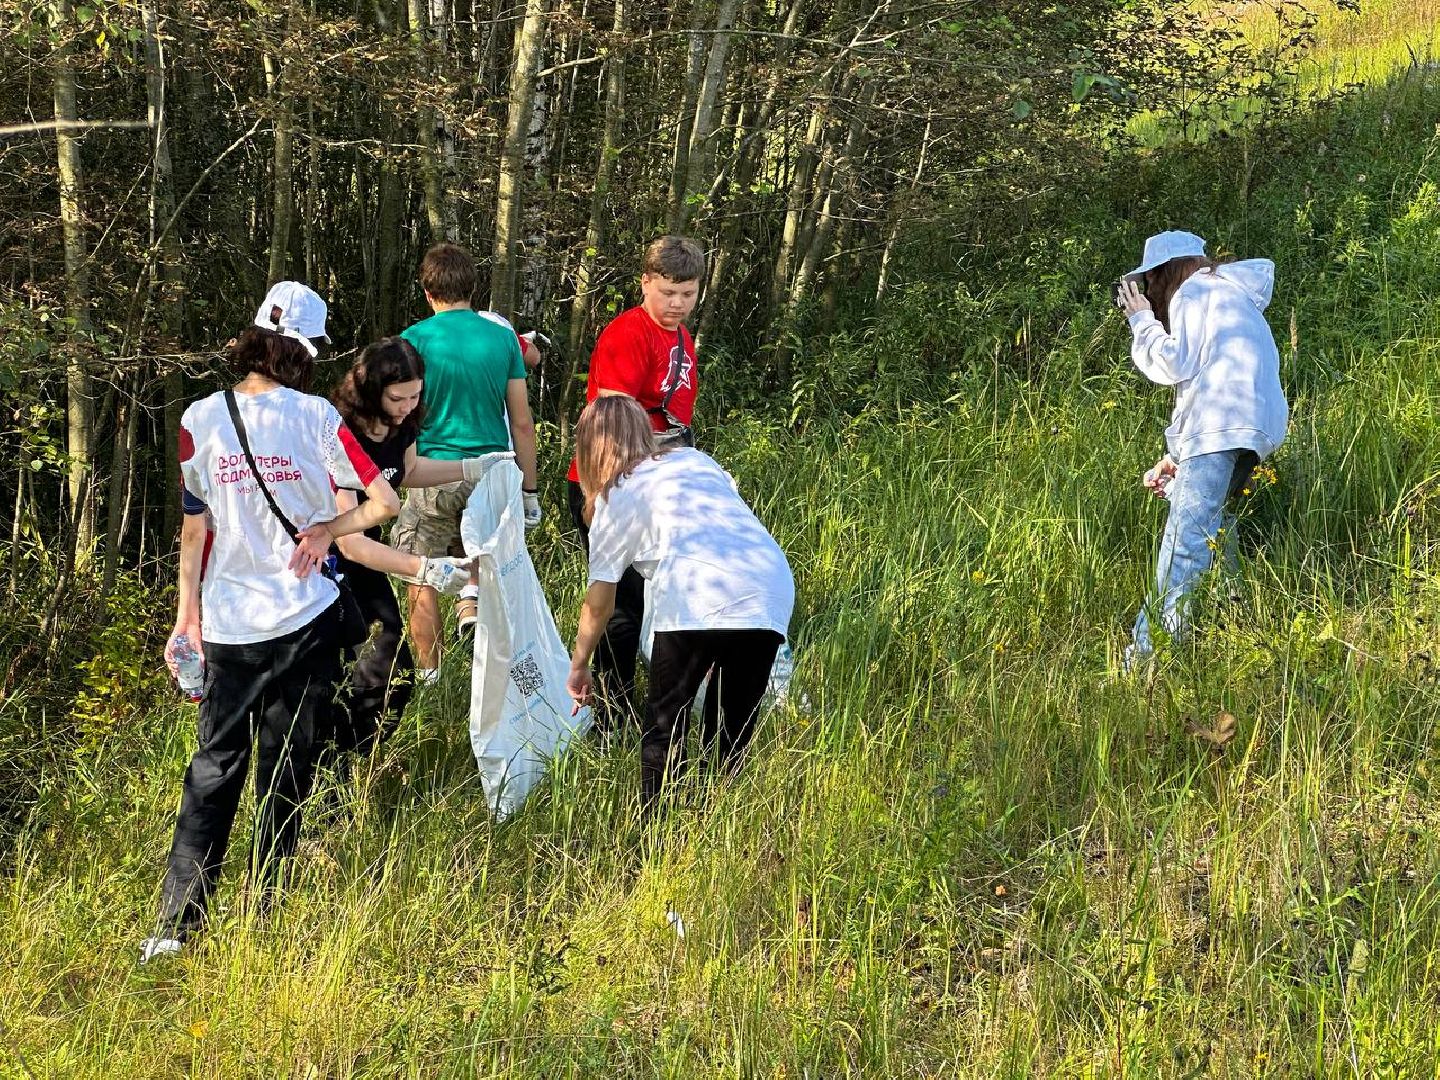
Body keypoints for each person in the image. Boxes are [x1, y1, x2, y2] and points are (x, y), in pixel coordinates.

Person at [142, 321, 401, 963]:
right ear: (304, 353)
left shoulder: (199, 419)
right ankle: (270, 913)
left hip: (227, 620)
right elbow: (385, 501)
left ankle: (176, 927)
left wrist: (187, 618)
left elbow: (193, 532)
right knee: (286, 762)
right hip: (302, 615)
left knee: (213, 768)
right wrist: (326, 530)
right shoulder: (316, 417)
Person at [566, 397, 793, 806]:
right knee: (732, 731)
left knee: (665, 726)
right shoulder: (695, 460)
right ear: (643, 432)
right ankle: (721, 825)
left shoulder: (614, 497)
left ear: (589, 450)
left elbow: (599, 606)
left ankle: (654, 837)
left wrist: (579, 665)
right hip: (766, 584)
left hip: (695, 590)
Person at [327, 336, 513, 756]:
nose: (408, 406)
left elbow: (405, 471)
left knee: (395, 673)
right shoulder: (342, 435)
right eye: (398, 397)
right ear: (372, 390)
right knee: (361, 672)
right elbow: (349, 542)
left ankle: (353, 762)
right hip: (328, 567)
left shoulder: (405, 423)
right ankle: (332, 763)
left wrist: (470, 468)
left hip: (368, 561)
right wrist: (425, 569)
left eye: (416, 395)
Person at [1117, 230, 1288, 666]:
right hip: (1254, 430)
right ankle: (1240, 616)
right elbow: (1213, 378)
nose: (1150, 293)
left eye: (1150, 284)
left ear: (1164, 272)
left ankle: (1146, 659)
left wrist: (1141, 321)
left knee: (1184, 543)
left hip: (1219, 427)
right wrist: (1177, 457)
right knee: (1212, 525)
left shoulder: (1193, 292)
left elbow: (1175, 362)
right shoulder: (1234, 296)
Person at [565, 236, 706, 731]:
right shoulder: (628, 333)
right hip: (610, 483)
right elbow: (613, 422)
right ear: (645, 282)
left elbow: (676, 421)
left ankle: (649, 700)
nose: (677, 304)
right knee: (619, 605)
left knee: (652, 599)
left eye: (687, 294)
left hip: (658, 483)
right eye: (668, 292)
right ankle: (611, 712)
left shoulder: (681, 338)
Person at [394, 243, 540, 682]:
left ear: (426, 290)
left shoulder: (412, 341)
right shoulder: (500, 339)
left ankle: (430, 678)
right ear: (474, 288)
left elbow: (399, 417)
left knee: (420, 572)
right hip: (494, 473)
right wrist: (529, 491)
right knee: (492, 571)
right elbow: (521, 421)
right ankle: (495, 675)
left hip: (432, 472)